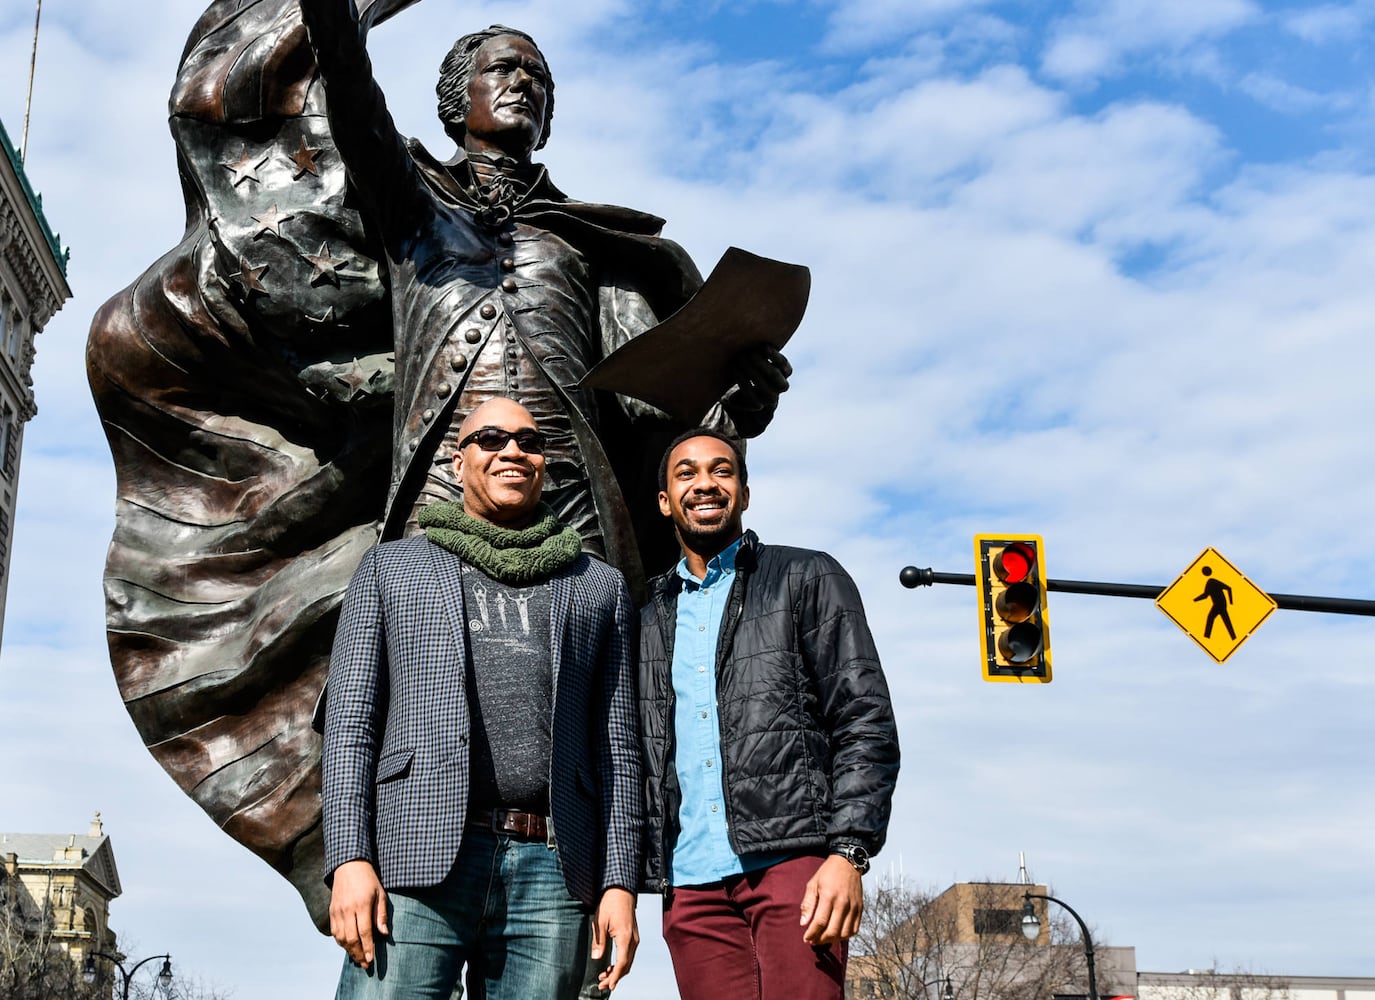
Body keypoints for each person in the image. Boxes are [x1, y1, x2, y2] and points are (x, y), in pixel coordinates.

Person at [299, 2, 791, 582]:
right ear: (459, 99)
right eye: (503, 69)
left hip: (570, 499)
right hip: (443, 485)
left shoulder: (587, 242)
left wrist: (740, 400)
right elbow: (356, 105)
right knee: (428, 658)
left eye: (538, 78)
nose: (524, 83)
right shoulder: (415, 208)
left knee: (580, 660)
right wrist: (333, 21)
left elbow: (651, 392)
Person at [323, 397, 642, 998]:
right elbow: (350, 723)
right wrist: (348, 858)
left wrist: (620, 883)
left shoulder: (598, 585)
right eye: (492, 439)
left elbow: (618, 747)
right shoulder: (390, 568)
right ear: (459, 458)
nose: (512, 451)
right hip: (414, 859)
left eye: (529, 441)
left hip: (553, 868)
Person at [636, 429, 901, 1000]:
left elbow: (864, 719)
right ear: (664, 500)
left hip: (796, 868)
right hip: (690, 887)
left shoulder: (806, 577)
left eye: (721, 470)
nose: (704, 482)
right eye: (686, 473)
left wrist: (848, 853)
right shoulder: (647, 615)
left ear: (745, 493)